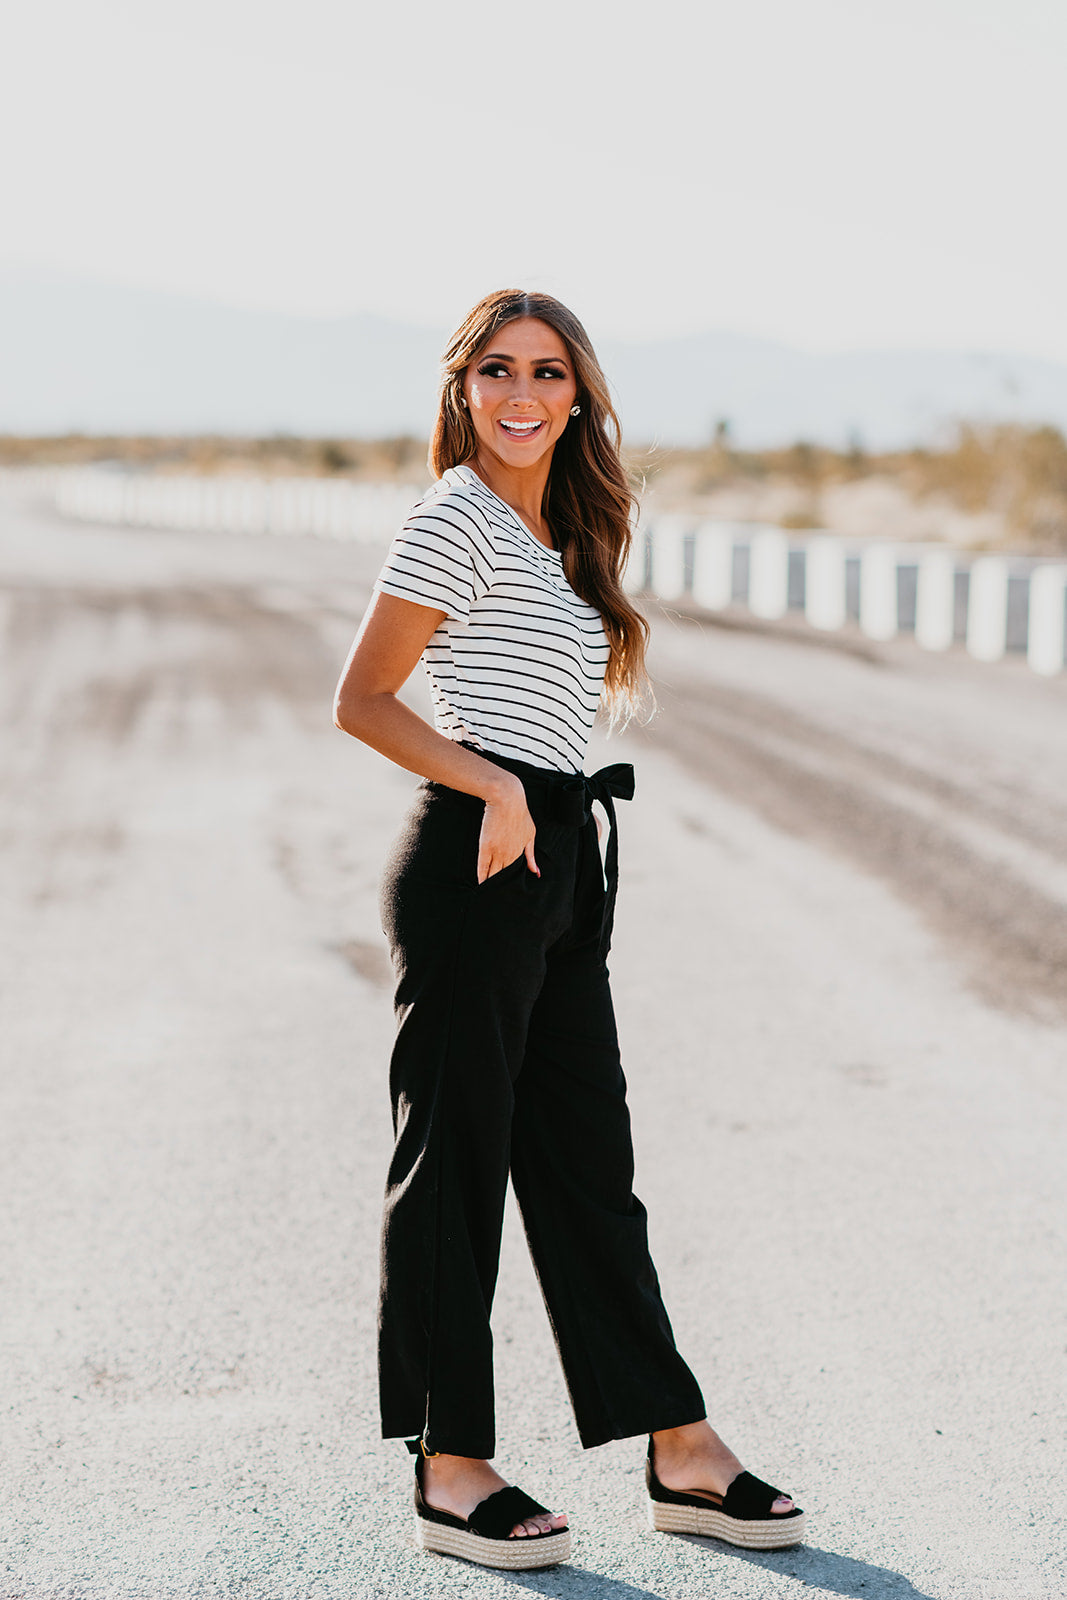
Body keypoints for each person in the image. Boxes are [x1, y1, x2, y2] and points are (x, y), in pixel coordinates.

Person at [333, 288, 805, 1570]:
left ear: (579, 393)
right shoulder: (453, 517)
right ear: (461, 390)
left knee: (589, 1166)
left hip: (560, 860)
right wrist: (491, 785)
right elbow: (362, 698)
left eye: (547, 372)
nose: (522, 394)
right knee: (457, 1162)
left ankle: (678, 1445)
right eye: (496, 371)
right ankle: (450, 1463)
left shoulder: (560, 532)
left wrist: (539, 811)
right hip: (475, 856)